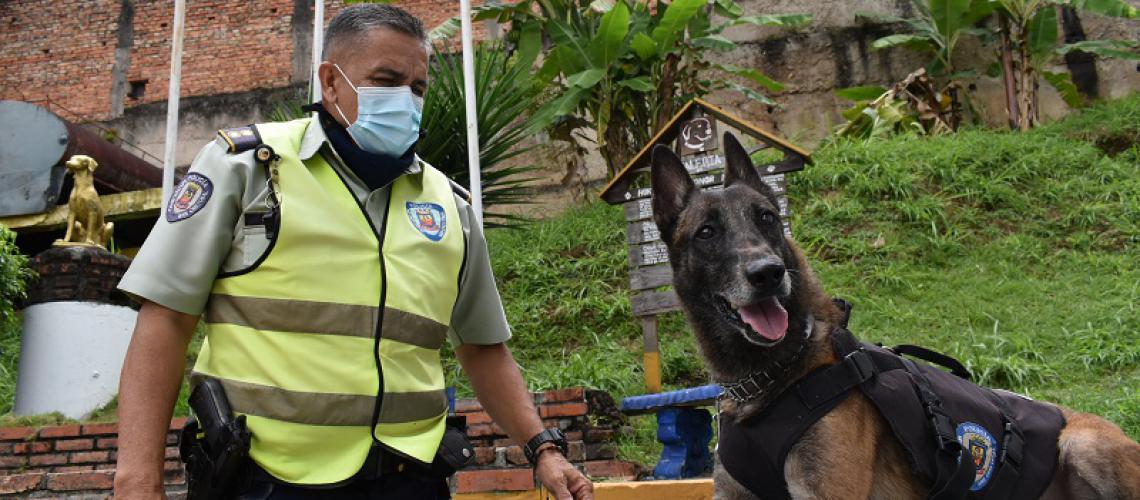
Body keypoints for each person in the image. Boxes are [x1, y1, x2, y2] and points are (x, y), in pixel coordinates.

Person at [112, 5, 594, 499]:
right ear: (331, 81)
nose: (404, 99)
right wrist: (137, 481)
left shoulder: (449, 206)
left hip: (411, 479)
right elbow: (166, 319)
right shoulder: (249, 169)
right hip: (266, 480)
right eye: (386, 80)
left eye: (417, 88)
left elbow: (482, 347)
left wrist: (543, 450)